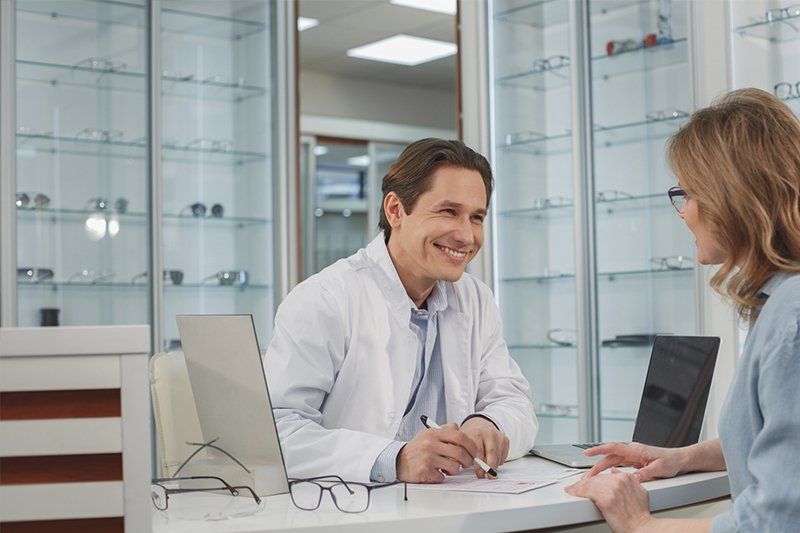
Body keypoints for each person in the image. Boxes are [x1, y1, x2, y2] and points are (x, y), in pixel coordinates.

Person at [565, 88, 800, 532]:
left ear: (730, 196)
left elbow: (776, 523)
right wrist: (680, 457)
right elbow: (781, 444)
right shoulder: (781, 301)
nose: (683, 212)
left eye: (686, 194)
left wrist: (638, 524)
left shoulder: (792, 316)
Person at [265, 138, 537, 484]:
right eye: (448, 211)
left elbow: (514, 401)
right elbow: (277, 431)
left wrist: (489, 423)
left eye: (477, 217)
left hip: (454, 507)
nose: (466, 235)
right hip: (351, 513)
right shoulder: (325, 299)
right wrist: (392, 459)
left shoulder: (475, 300)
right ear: (395, 210)